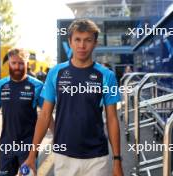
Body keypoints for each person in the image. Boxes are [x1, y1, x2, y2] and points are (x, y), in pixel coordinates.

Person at [24, 19, 124, 176]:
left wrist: (117, 160)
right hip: (63, 155)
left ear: (95, 43)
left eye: (88, 40)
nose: (82, 46)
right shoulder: (55, 73)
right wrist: (32, 155)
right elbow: (44, 115)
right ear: (70, 41)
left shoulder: (107, 76)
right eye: (77, 39)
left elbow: (112, 118)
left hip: (97, 157)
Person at [0, 48, 45, 176]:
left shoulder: (37, 85)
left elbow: (46, 115)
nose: (17, 67)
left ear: (27, 64)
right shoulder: (0, 85)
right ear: (9, 64)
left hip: (29, 146)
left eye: (21, 63)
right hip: (6, 145)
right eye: (14, 63)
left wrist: (58, 138)